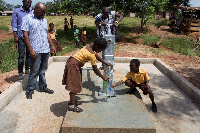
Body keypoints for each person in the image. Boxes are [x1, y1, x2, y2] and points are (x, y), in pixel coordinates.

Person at [62, 38, 112, 112]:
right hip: (73, 66)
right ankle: (71, 105)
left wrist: (105, 63)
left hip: (72, 63)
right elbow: (95, 70)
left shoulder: (89, 46)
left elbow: (97, 56)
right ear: (96, 47)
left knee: (76, 83)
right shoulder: (91, 55)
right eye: (100, 50)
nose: (100, 52)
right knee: (74, 85)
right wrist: (103, 77)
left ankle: (72, 101)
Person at [21, 2, 56, 99]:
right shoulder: (27, 18)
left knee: (43, 70)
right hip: (35, 49)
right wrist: (31, 50)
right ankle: (30, 89)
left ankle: (43, 86)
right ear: (36, 9)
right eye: (42, 12)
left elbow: (47, 33)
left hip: (45, 49)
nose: (43, 14)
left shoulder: (44, 20)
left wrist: (51, 45)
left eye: (44, 12)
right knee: (34, 70)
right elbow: (25, 35)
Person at [11, 0, 32, 79]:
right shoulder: (17, 11)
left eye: (30, 3)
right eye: (27, 2)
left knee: (29, 54)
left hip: (30, 37)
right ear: (23, 2)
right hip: (21, 37)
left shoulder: (31, 12)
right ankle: (20, 72)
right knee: (21, 55)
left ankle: (27, 69)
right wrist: (15, 35)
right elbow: (14, 24)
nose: (29, 4)